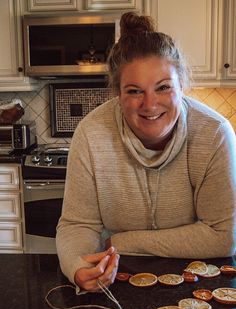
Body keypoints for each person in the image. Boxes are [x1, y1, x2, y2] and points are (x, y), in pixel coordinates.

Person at [56, 12, 236, 292]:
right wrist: (78, 266)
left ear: (182, 86)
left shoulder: (214, 133)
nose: (150, 105)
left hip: (197, 282)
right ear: (117, 94)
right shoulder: (91, 134)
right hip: (116, 278)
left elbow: (223, 236)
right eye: (134, 91)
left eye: (163, 87)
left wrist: (120, 242)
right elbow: (77, 224)